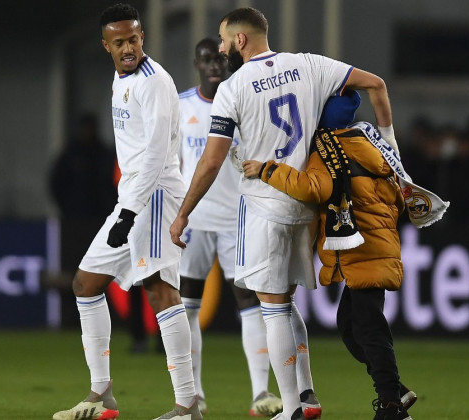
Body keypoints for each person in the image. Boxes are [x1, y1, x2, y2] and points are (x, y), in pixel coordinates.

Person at [169, 7, 395, 420]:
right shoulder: (308, 64)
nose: (220, 48)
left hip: (264, 206)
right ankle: (306, 396)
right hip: (307, 205)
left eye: (223, 40)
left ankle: (291, 409)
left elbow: (212, 161)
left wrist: (183, 213)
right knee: (286, 306)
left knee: (271, 306)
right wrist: (390, 145)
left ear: (240, 41)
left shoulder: (233, 88)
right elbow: (376, 85)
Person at [53, 4, 201, 420]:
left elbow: (155, 154)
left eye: (134, 39)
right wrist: (125, 208)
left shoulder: (155, 83)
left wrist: (128, 213)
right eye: (119, 42)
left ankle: (187, 406)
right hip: (132, 199)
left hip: (152, 198)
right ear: (107, 46)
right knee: (85, 284)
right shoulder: (120, 80)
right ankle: (102, 394)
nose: (128, 48)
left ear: (142, 38)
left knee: (159, 291)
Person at [242, 90, 416, 420]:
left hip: (363, 249)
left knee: (367, 328)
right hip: (379, 243)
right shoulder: (368, 141)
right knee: (351, 326)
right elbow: (397, 197)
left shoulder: (329, 148)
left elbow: (313, 187)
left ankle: (392, 405)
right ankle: (395, 390)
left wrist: (267, 170)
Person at [177, 37, 282, 417]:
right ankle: (194, 395)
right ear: (196, 64)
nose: (214, 66)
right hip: (195, 221)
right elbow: (171, 165)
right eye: (207, 60)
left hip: (238, 218)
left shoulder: (243, 101)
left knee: (248, 300)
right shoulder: (180, 105)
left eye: (220, 58)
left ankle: (261, 393)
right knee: (186, 304)